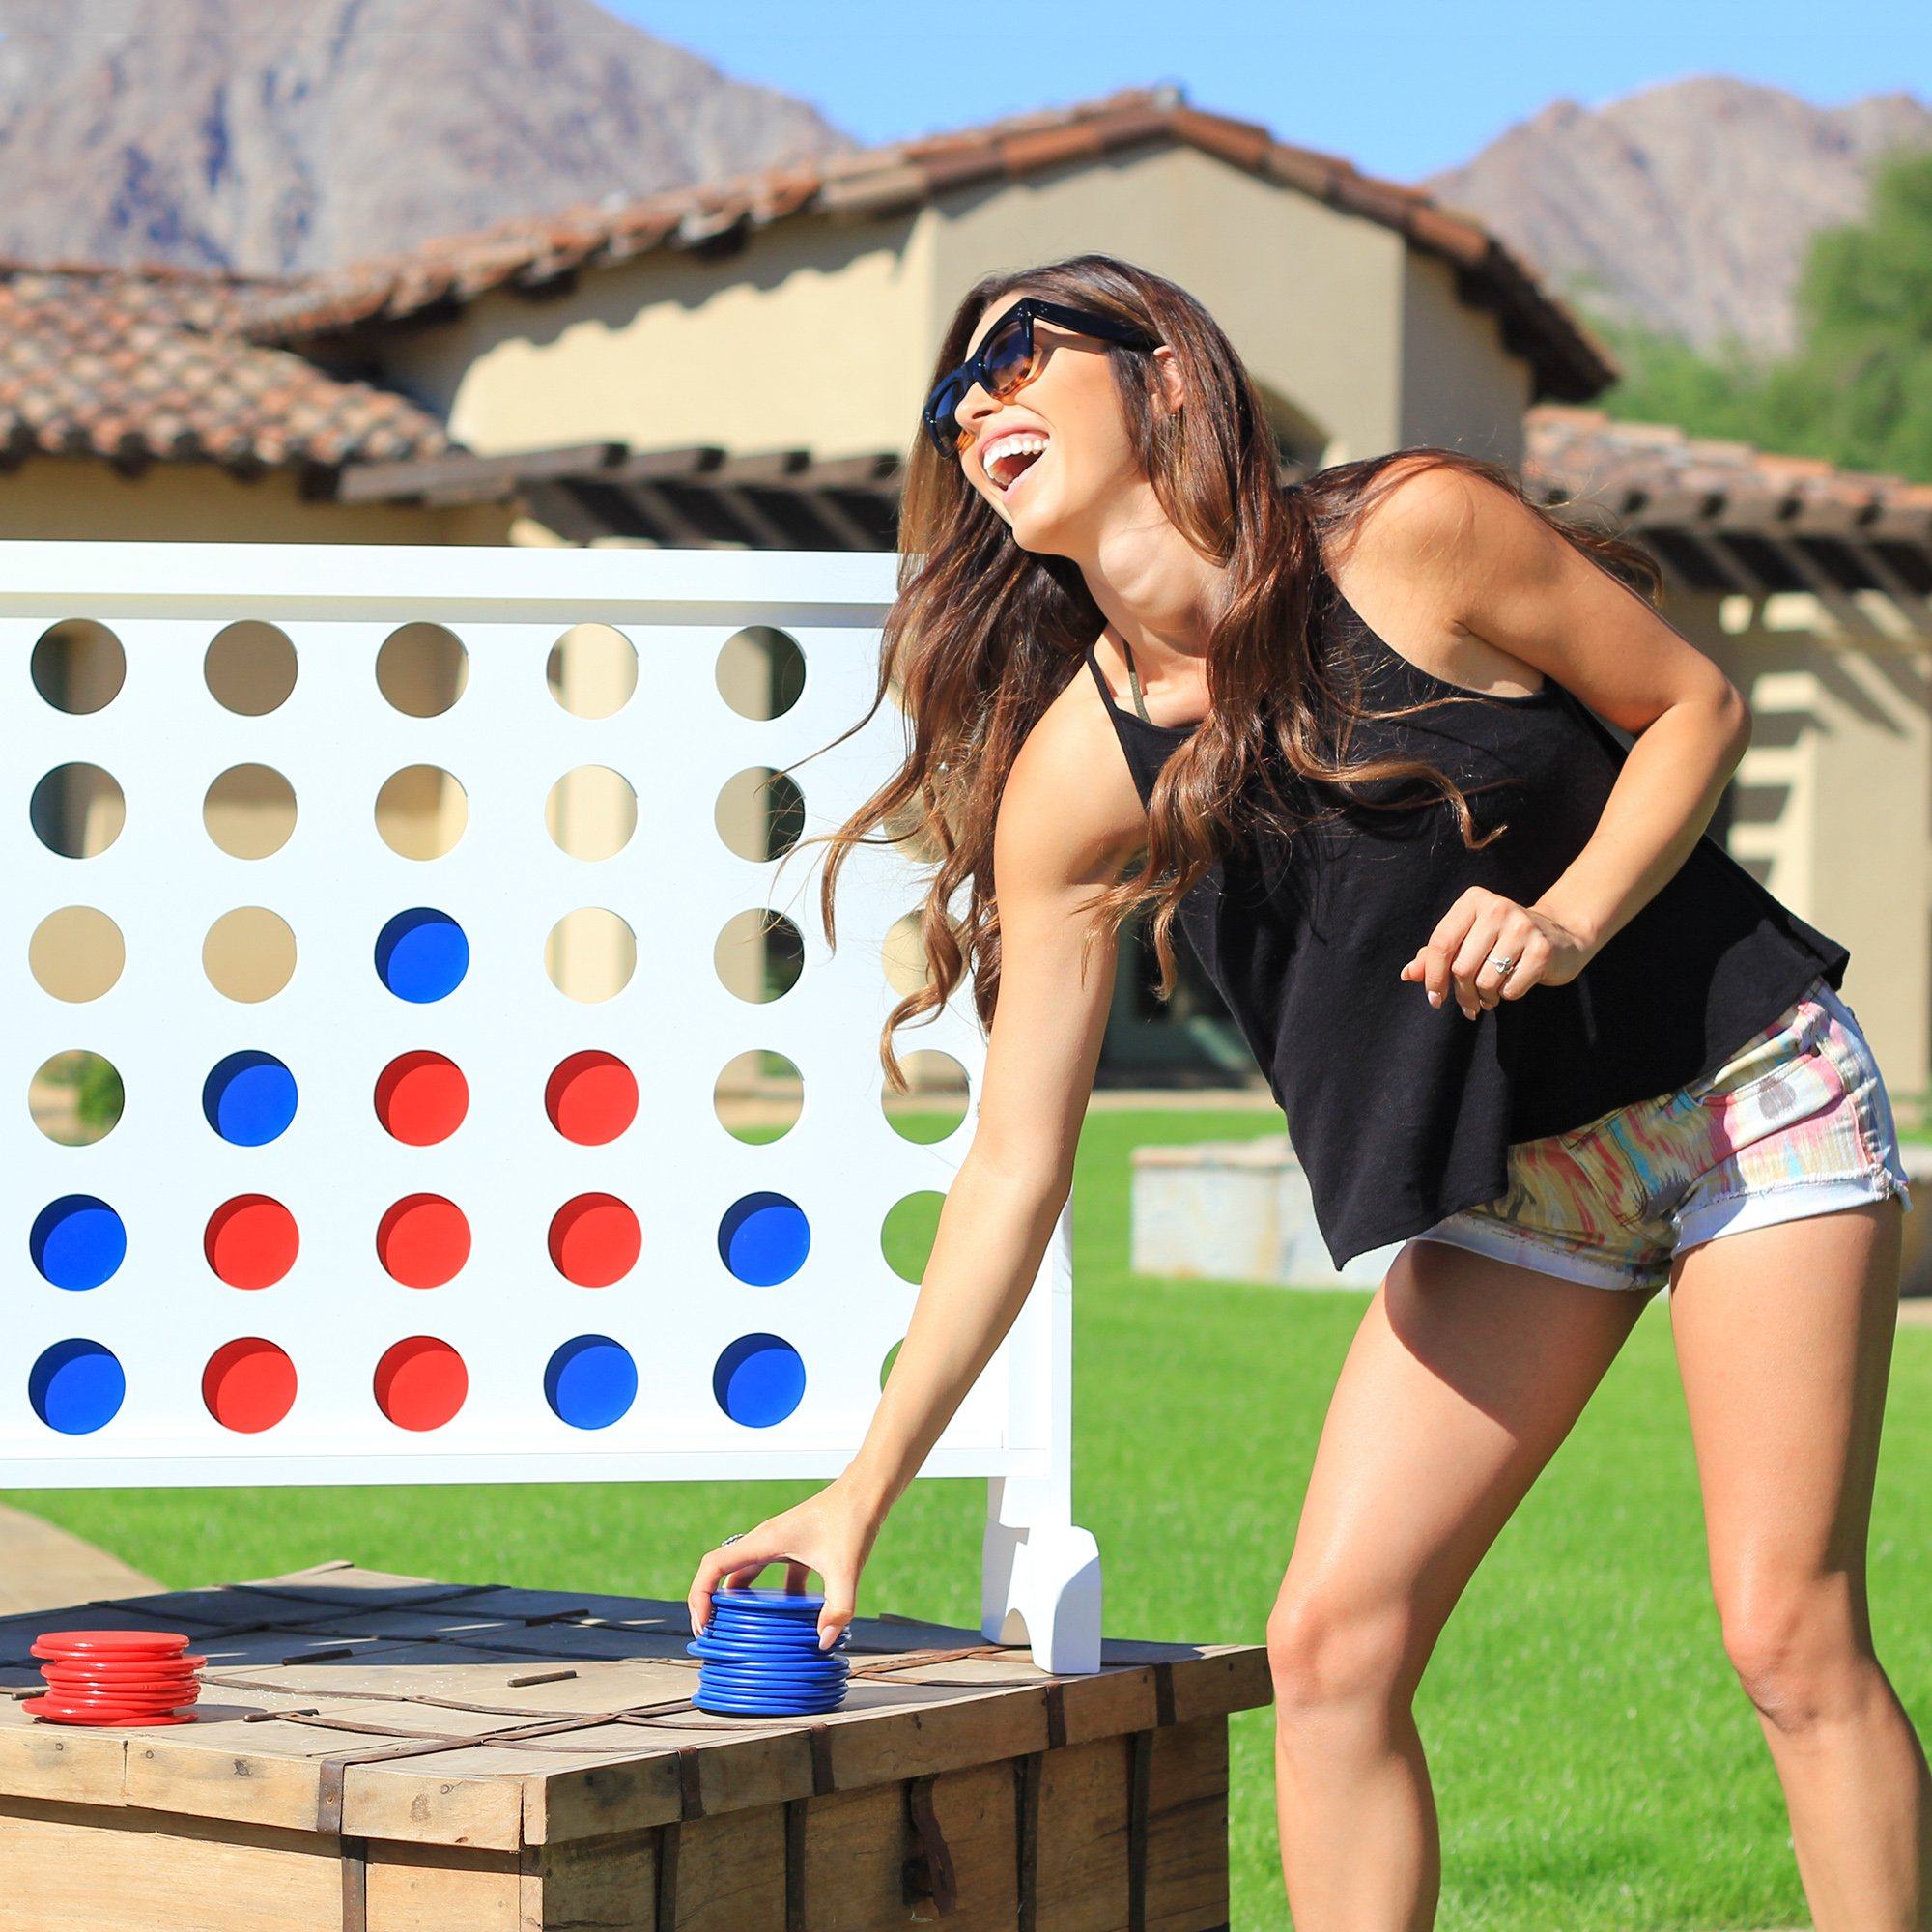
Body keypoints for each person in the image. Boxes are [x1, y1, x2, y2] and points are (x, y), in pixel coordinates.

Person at [686, 253, 1924, 1924]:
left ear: (1169, 380)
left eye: (1021, 356)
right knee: (1329, 1650)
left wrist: (1564, 918)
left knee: (1786, 1633)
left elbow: (1691, 705)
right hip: (1517, 1192)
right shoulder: (1074, 780)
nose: (980, 403)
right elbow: (1011, 1172)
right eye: (953, 393)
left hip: (1740, 1098)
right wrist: (862, 1487)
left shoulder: (1415, 535)